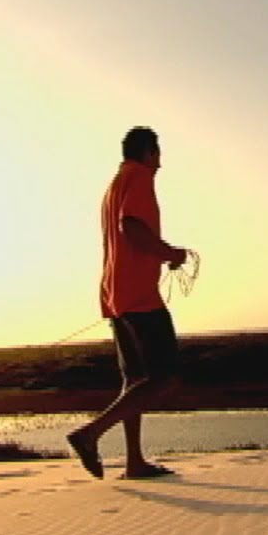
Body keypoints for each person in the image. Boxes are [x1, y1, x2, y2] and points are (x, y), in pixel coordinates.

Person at [66, 125, 189, 480]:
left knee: (136, 378)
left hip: (115, 294)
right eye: (158, 154)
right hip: (138, 295)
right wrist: (170, 253)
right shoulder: (139, 178)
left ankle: (134, 462)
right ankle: (89, 434)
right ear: (149, 152)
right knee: (164, 378)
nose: (161, 163)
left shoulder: (115, 184)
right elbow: (131, 227)